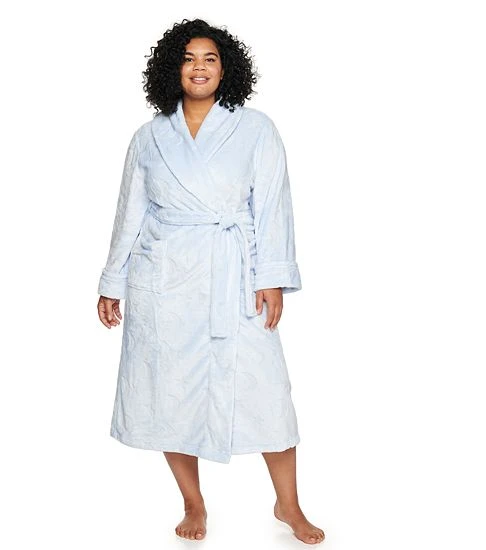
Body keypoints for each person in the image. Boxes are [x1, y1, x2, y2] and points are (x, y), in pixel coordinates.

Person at [96, 18, 325, 544]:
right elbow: (129, 213)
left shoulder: (256, 129)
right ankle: (193, 502)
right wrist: (113, 280)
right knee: (169, 392)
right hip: (166, 278)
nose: (199, 67)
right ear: (172, 69)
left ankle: (288, 505)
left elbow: (273, 205)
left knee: (268, 394)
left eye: (210, 58)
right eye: (188, 58)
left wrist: (271, 276)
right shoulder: (149, 137)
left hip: (235, 277)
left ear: (225, 69)